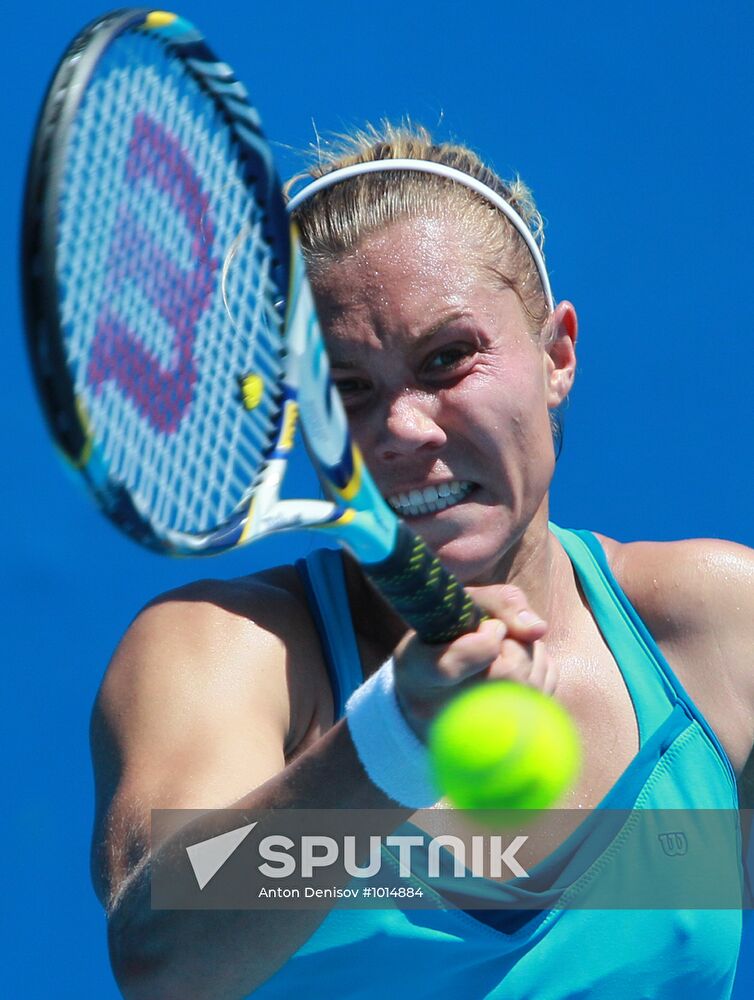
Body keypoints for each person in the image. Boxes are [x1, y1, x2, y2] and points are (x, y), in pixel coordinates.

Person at [91, 122, 754, 999]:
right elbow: (160, 959)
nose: (402, 429)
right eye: (348, 388)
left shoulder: (719, 626)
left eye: (447, 359)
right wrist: (391, 739)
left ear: (557, 356)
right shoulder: (225, 651)